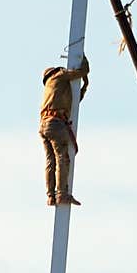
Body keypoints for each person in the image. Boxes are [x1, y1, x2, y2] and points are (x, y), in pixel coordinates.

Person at [39, 53, 89, 206]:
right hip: (55, 123)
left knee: (50, 160)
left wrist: (84, 87)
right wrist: (83, 59)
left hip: (44, 125)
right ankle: (62, 194)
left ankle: (51, 196)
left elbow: (73, 102)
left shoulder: (51, 88)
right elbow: (81, 71)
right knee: (62, 157)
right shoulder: (59, 76)